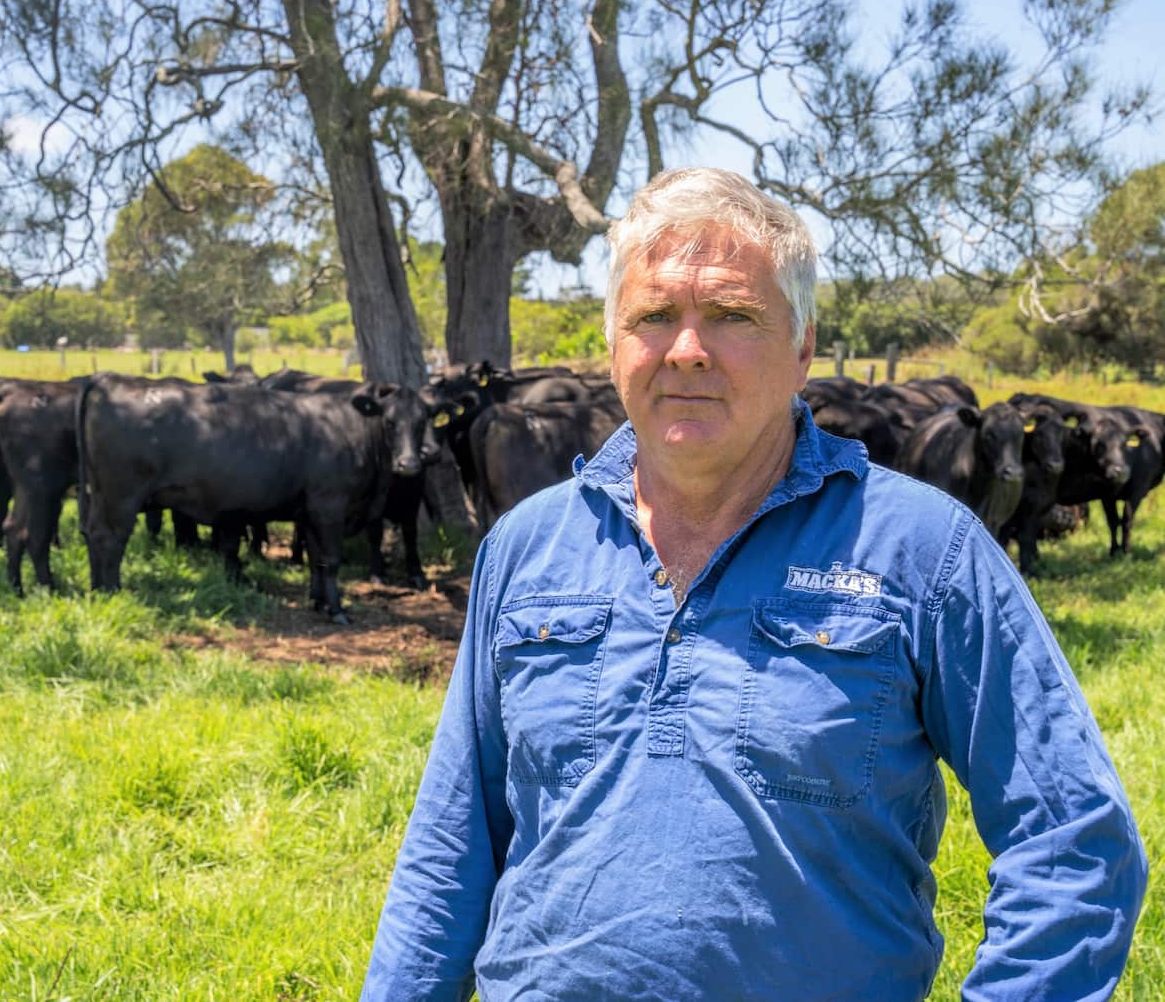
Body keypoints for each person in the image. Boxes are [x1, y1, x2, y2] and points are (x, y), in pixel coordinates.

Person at [363, 168, 1147, 1000]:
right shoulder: (528, 545)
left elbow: (1076, 843)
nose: (687, 348)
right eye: (654, 316)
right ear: (616, 345)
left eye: (732, 316)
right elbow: (450, 850)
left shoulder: (923, 549)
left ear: (803, 346)